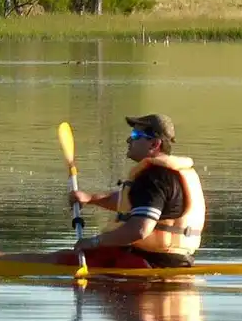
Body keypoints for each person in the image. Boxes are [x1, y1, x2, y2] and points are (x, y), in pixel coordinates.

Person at [59, 113, 207, 269]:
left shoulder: (153, 178)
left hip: (144, 261)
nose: (129, 140)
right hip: (177, 261)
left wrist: (95, 242)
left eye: (136, 135)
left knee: (53, 260)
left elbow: (140, 229)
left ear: (154, 144)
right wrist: (90, 198)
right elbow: (131, 202)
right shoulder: (169, 174)